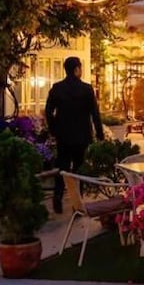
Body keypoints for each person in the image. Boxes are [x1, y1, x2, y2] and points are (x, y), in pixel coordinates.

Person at [45, 56, 104, 213]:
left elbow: (48, 111)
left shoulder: (57, 88)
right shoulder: (86, 89)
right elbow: (95, 114)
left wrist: (54, 129)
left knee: (62, 167)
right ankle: (77, 203)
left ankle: (58, 196)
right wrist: (100, 134)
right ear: (77, 69)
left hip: (63, 135)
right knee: (79, 169)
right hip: (82, 135)